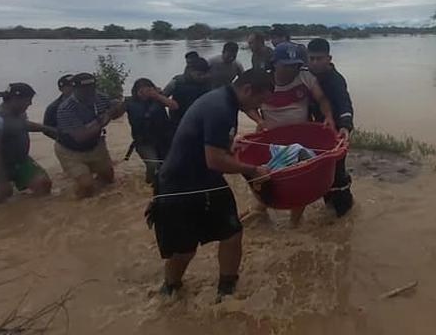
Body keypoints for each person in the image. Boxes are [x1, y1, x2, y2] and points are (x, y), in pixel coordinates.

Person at [148, 69, 274, 300]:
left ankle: (227, 289)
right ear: (247, 90)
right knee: (184, 249)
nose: (258, 108)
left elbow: (212, 147)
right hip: (180, 185)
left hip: (206, 179)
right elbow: (215, 160)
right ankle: (170, 288)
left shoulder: (224, 98)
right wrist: (253, 170)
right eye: (259, 100)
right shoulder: (221, 108)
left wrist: (230, 147)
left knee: (232, 233)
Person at [246, 42, 334, 224]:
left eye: (295, 65)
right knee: (267, 177)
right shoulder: (263, 81)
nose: (292, 70)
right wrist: (259, 121)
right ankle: (261, 210)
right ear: (275, 63)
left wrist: (328, 117)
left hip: (301, 139)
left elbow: (322, 98)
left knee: (299, 181)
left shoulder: (305, 77)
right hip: (271, 140)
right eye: (287, 66)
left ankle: (295, 222)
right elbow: (245, 104)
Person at [0, 83, 55, 202]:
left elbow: (23, 125)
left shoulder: (20, 112)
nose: (30, 103)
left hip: (20, 160)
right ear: (15, 99)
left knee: (44, 184)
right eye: (28, 100)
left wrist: (47, 129)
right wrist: (1, 181)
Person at [55, 73, 126, 198]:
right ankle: (77, 205)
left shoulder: (100, 97)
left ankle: (99, 204)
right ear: (74, 89)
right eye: (84, 90)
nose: (89, 93)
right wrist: (105, 118)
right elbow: (81, 136)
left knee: (108, 180)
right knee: (86, 186)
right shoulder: (65, 109)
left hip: (95, 145)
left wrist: (120, 107)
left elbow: (115, 112)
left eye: (92, 88)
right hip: (71, 151)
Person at [307, 38, 355, 217]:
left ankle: (344, 213)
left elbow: (345, 104)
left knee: (338, 173)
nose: (314, 63)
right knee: (320, 172)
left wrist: (345, 126)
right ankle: (329, 207)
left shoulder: (336, 80)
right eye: (311, 58)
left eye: (319, 58)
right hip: (315, 132)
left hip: (336, 133)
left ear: (329, 58)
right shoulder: (306, 76)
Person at [126, 78, 178, 185]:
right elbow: (115, 114)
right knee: (153, 164)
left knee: (168, 165)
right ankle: (150, 181)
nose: (145, 94)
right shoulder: (129, 103)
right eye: (141, 91)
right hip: (143, 142)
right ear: (136, 91)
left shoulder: (158, 100)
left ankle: (160, 181)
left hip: (163, 139)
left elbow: (174, 106)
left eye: (148, 90)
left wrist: (157, 95)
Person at [164, 58, 212, 128]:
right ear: (191, 71)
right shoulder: (177, 82)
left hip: (199, 121)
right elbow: (163, 97)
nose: (201, 77)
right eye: (199, 74)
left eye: (204, 74)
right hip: (178, 121)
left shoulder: (207, 83)